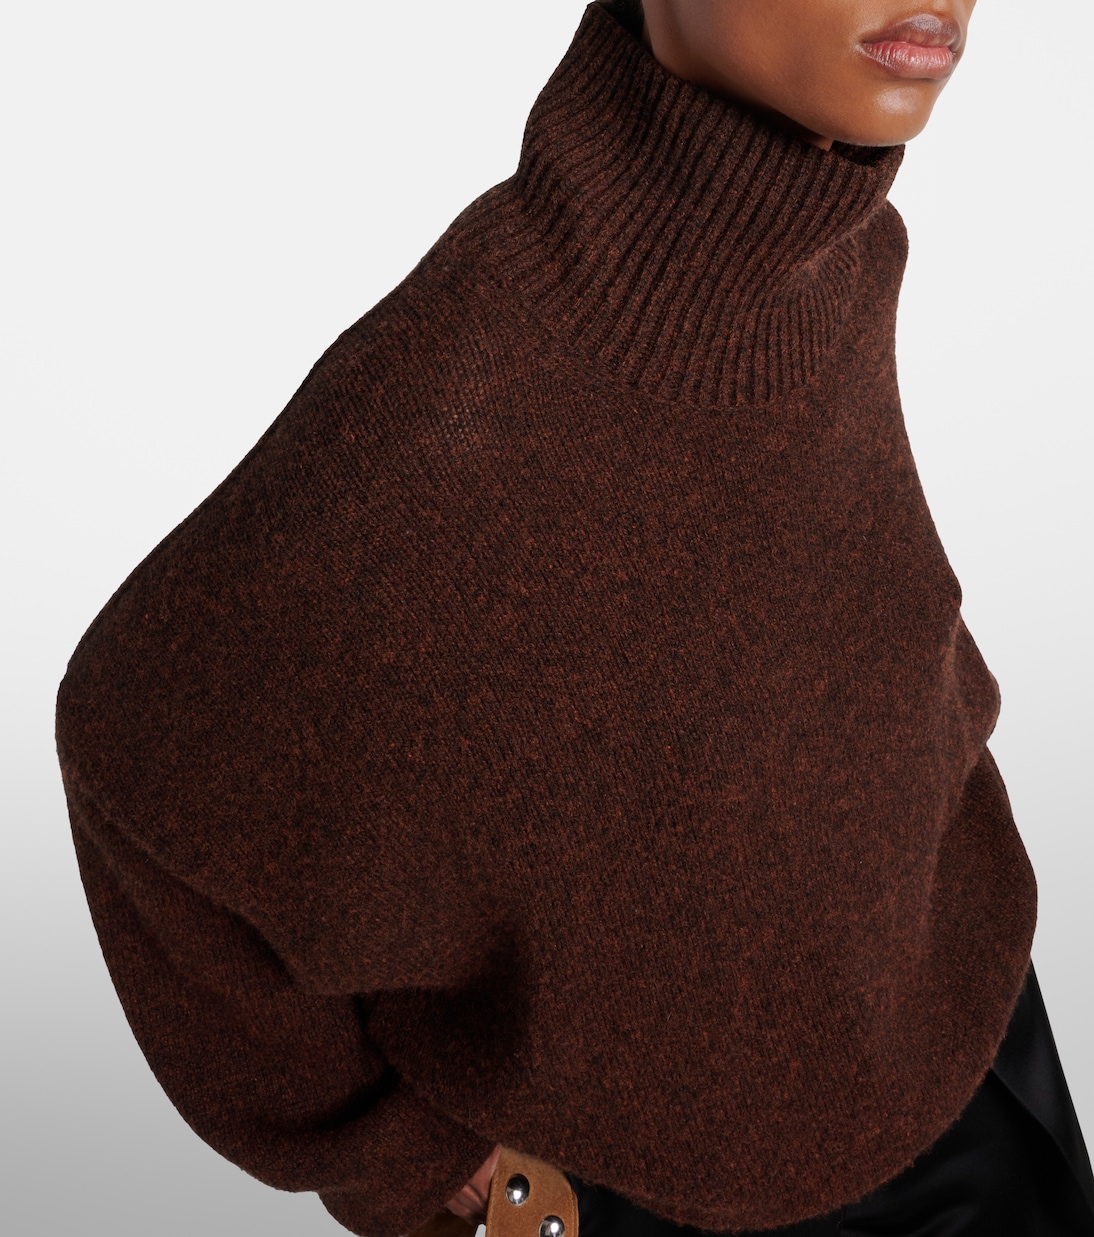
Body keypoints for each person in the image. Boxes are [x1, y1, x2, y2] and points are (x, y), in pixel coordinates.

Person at [55, 1, 1094, 1235]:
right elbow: (129, 741)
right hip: (684, 1180)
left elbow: (816, 576)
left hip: (971, 1019)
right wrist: (419, 1162)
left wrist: (925, 733)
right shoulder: (455, 397)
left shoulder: (834, 246)